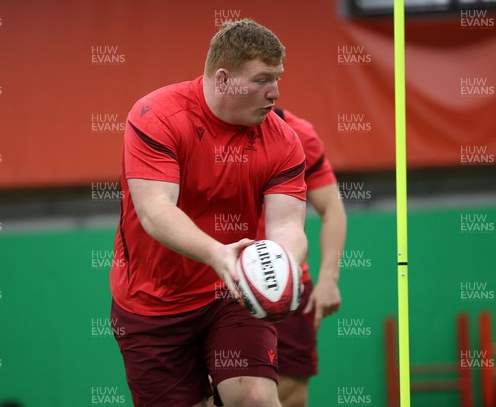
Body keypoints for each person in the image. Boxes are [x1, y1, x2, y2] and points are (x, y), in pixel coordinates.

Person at [109, 19, 307, 407]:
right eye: (262, 80)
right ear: (223, 79)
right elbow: (155, 211)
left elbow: (287, 225)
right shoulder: (157, 116)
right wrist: (220, 255)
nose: (275, 93)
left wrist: (280, 269)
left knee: (256, 401)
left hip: (231, 293)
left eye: (278, 79)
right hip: (151, 304)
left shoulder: (283, 141)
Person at [271, 108, 346, 407]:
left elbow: (333, 211)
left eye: (273, 78)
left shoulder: (298, 133)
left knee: (291, 396)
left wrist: (329, 278)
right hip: (218, 285)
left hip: (290, 286)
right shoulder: (201, 132)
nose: (270, 90)